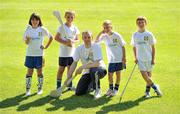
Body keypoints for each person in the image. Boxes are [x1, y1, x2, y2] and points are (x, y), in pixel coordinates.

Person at [67, 31, 107, 99]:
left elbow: (97, 64)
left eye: (89, 37)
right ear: (82, 38)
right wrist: (69, 75)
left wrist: (82, 67)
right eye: (85, 37)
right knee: (78, 92)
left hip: (100, 69)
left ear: (92, 38)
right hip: (87, 72)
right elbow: (74, 62)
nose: (87, 39)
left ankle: (97, 90)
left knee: (94, 71)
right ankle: (91, 85)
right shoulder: (79, 48)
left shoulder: (96, 46)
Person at [131, 16, 162, 98]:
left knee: (149, 77)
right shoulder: (135, 34)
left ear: (145, 23)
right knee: (145, 76)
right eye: (139, 23)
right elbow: (134, 47)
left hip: (149, 58)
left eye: (142, 22)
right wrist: (135, 57)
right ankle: (156, 87)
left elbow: (153, 47)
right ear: (137, 24)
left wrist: (153, 59)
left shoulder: (149, 34)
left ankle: (147, 92)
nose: (141, 24)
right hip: (140, 59)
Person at [23, 12, 53, 96]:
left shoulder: (42, 29)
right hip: (30, 54)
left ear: (39, 21)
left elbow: (51, 37)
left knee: (39, 72)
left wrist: (46, 46)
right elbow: (26, 42)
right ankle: (28, 90)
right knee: (29, 72)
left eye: (36, 20)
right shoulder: (28, 30)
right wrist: (28, 40)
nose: (34, 21)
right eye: (33, 19)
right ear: (30, 21)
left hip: (39, 55)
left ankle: (40, 89)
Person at [95, 20, 126, 96]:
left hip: (119, 59)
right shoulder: (104, 37)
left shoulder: (117, 35)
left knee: (118, 74)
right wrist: (100, 33)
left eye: (108, 27)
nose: (107, 29)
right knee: (110, 74)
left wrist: (124, 58)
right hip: (111, 60)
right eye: (105, 27)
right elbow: (96, 42)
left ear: (111, 27)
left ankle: (115, 90)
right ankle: (110, 89)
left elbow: (123, 46)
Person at [54, 10, 80, 90]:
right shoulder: (61, 27)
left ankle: (69, 85)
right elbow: (56, 38)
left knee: (70, 70)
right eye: (68, 17)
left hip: (72, 54)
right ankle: (58, 86)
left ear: (74, 18)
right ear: (65, 17)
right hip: (63, 53)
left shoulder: (75, 28)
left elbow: (77, 39)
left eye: (71, 17)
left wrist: (72, 41)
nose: (69, 18)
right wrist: (65, 43)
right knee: (61, 69)